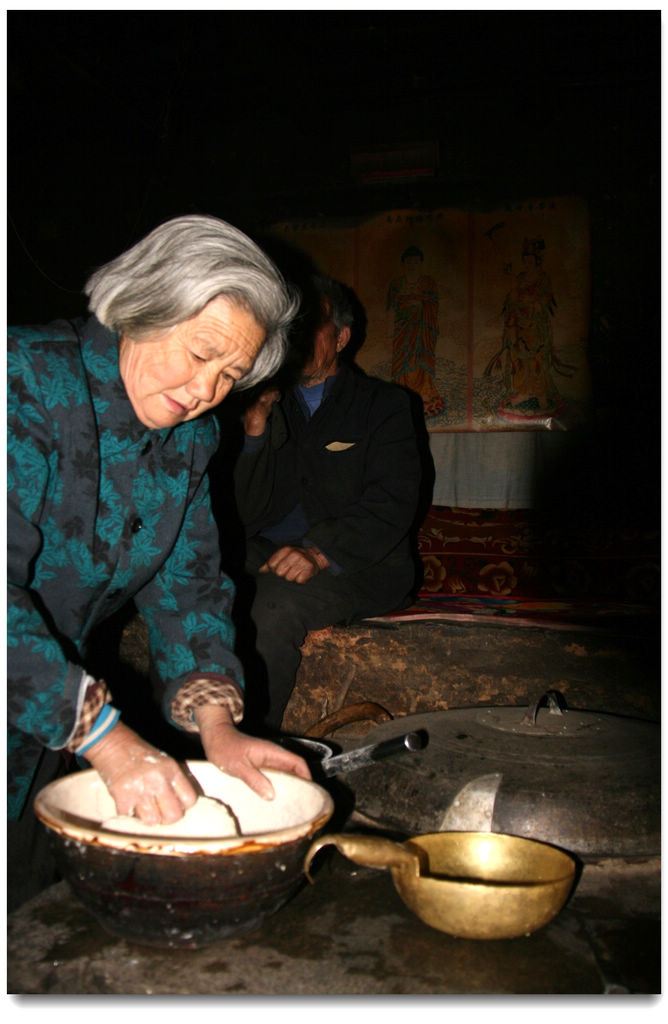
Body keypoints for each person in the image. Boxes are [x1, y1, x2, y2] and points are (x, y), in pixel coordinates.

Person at [7, 215, 311, 900]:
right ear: (145, 307)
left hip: (40, 725)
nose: (207, 391)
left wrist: (218, 727)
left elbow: (190, 586)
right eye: (202, 353)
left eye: (230, 374)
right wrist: (110, 742)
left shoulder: (188, 438)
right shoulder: (20, 380)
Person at [232, 276, 421, 731]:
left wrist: (318, 552)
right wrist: (254, 429)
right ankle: (180, 742)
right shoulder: (269, 403)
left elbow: (393, 501)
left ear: (340, 337)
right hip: (268, 548)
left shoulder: (384, 405)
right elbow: (242, 512)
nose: (294, 338)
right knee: (191, 577)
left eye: (310, 325)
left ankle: (254, 749)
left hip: (360, 562)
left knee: (272, 606)